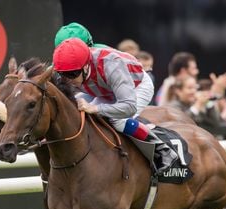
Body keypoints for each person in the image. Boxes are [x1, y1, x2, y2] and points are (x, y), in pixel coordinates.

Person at [52, 38, 178, 173]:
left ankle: (162, 150)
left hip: (136, 86)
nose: (68, 80)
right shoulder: (67, 67)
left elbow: (129, 107)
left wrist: (95, 108)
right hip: (103, 87)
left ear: (86, 65)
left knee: (117, 119)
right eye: (63, 75)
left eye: (72, 74)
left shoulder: (111, 65)